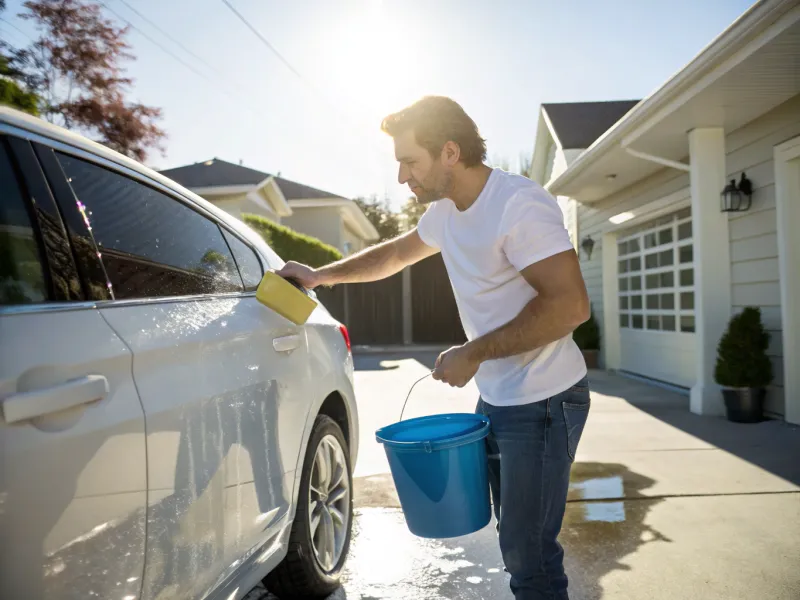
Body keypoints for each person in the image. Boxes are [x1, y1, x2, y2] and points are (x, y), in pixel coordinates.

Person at [277, 95, 591, 600]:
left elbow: (570, 305)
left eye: (409, 161)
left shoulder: (518, 204)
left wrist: (472, 353)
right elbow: (396, 254)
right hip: (499, 399)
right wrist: (319, 276)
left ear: (450, 152)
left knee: (529, 552)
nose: (402, 177)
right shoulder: (447, 212)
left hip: (546, 399)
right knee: (516, 540)